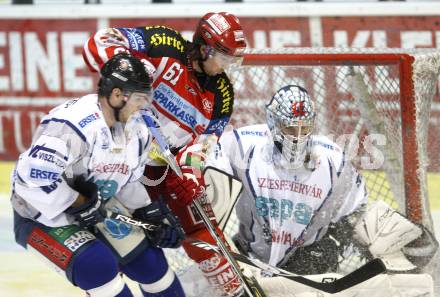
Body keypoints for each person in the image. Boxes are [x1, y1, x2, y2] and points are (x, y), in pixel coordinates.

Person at [82, 12, 247, 297]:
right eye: (223, 57)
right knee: (116, 243)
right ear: (204, 47)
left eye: (233, 60)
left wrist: (190, 174)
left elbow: (203, 143)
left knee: (201, 229)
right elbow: (98, 42)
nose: (227, 67)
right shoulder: (165, 43)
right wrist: (131, 65)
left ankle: (234, 291)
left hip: (163, 168)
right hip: (118, 158)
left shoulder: (222, 92)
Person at [205, 84, 438, 276]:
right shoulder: (241, 144)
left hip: (306, 268)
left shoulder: (333, 161)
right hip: (246, 260)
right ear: (273, 122)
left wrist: (339, 242)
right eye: (289, 128)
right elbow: (207, 176)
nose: (297, 137)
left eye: (303, 128)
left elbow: (353, 214)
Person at [10, 53, 187, 297]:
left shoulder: (138, 130)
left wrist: (148, 212)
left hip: (95, 206)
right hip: (42, 214)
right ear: (116, 95)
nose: (145, 105)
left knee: (150, 264)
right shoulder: (72, 126)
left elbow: (124, 177)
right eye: (140, 98)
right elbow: (29, 179)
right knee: (97, 267)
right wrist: (78, 202)